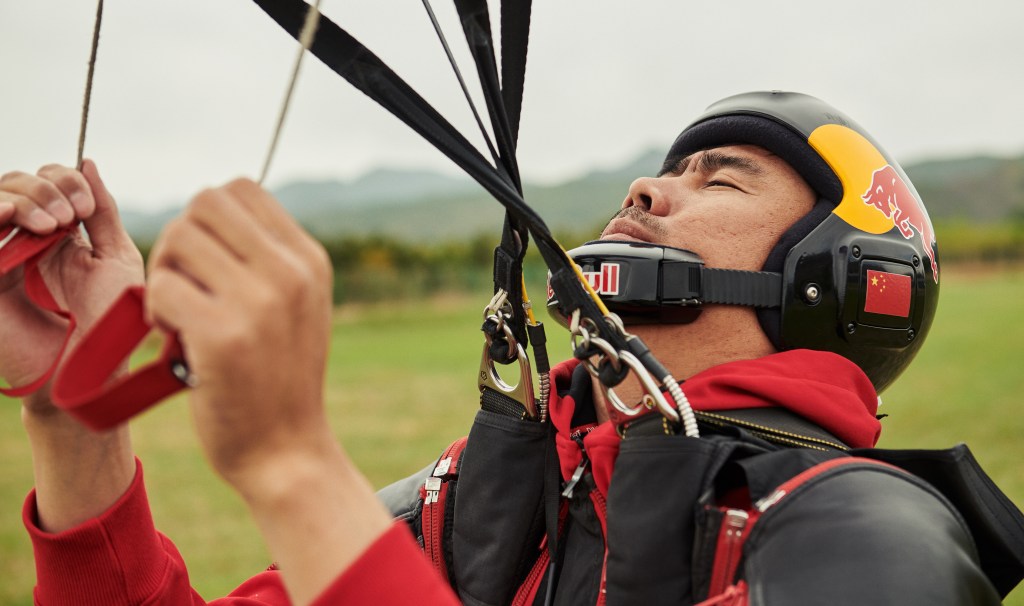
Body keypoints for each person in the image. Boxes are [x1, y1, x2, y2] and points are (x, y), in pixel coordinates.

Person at [1, 91, 1018, 605]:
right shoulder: (486, 494)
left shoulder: (871, 548)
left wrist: (293, 467)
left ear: (837, 279)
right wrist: (69, 414)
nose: (648, 188)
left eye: (720, 178)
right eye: (665, 172)